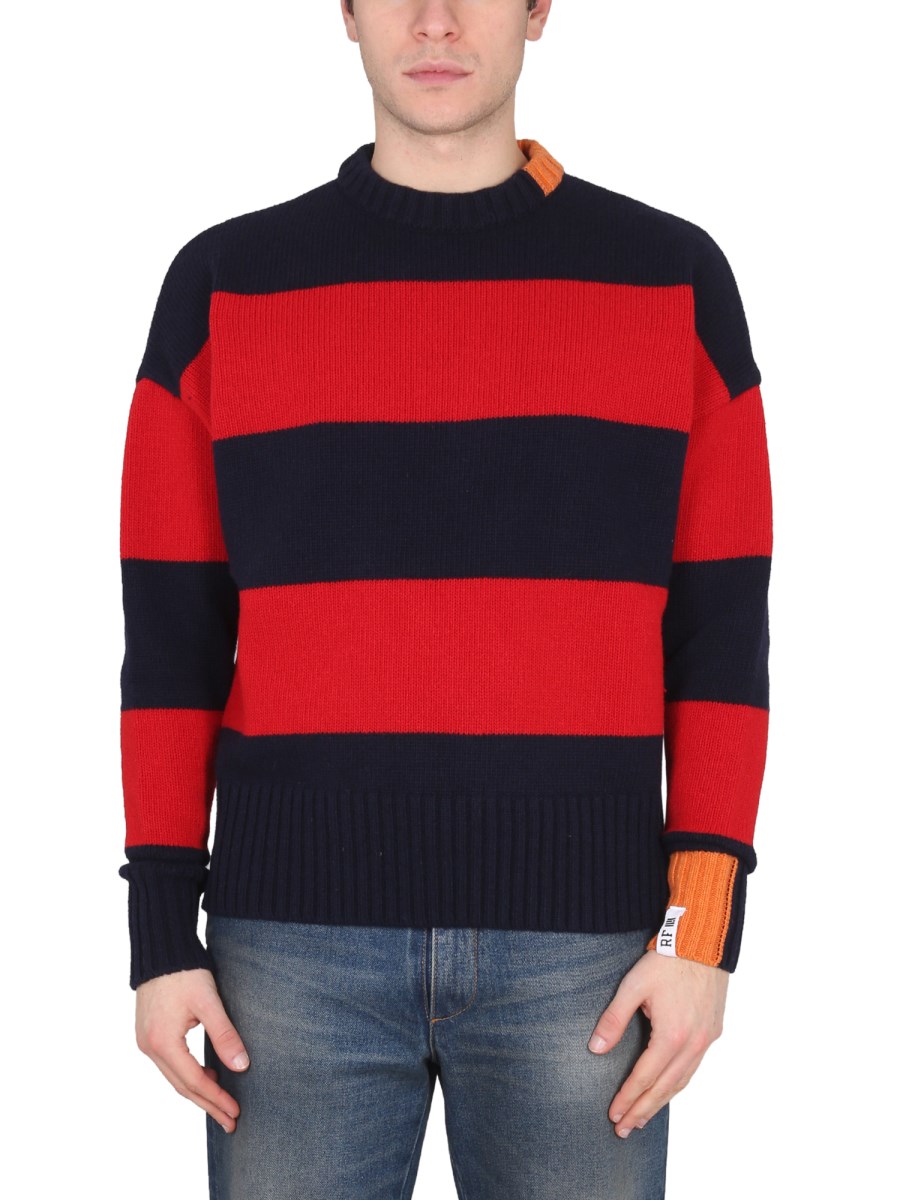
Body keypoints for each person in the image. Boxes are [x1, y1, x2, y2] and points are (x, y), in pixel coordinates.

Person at [117, 1, 772, 1196]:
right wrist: (159, 935)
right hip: (287, 957)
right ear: (347, 12)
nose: (434, 19)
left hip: (585, 954)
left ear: (537, 9)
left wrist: (702, 931)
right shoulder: (224, 286)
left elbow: (721, 633)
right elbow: (170, 642)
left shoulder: (672, 279)